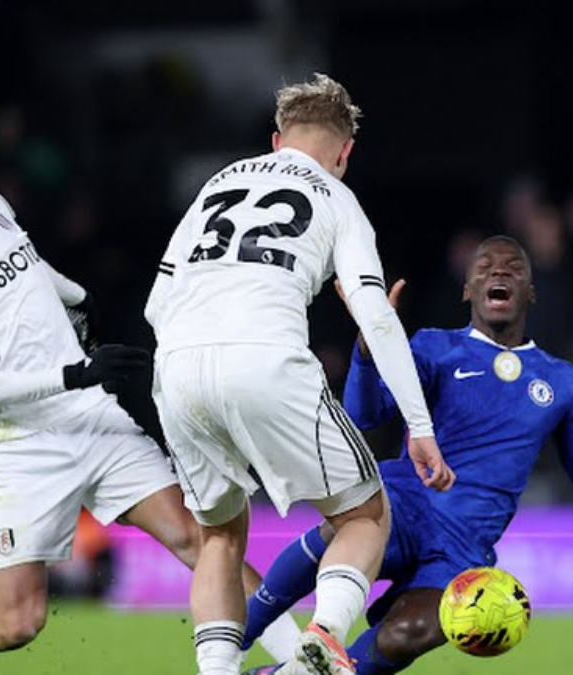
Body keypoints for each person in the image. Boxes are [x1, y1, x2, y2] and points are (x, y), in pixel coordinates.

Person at [0, 119, 299, 675]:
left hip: (91, 416)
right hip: (17, 446)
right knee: (18, 622)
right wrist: (75, 373)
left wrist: (78, 296)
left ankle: (306, 662)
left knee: (203, 540)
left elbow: (28, 268)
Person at [242, 235, 573, 675]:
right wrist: (366, 346)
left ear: (529, 292)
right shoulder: (432, 347)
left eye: (513, 269)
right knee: (343, 532)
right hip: (401, 506)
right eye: (486, 267)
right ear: (468, 290)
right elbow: (365, 413)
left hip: (460, 551)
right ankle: (234, 639)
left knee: (410, 634)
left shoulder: (560, 381)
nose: (500, 273)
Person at [144, 74, 455, 675]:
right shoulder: (339, 199)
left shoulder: (218, 182)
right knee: (365, 516)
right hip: (266, 359)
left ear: (275, 139)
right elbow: (376, 316)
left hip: (177, 364)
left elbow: (157, 301)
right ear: (345, 153)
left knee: (219, 536)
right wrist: (420, 424)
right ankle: (324, 637)